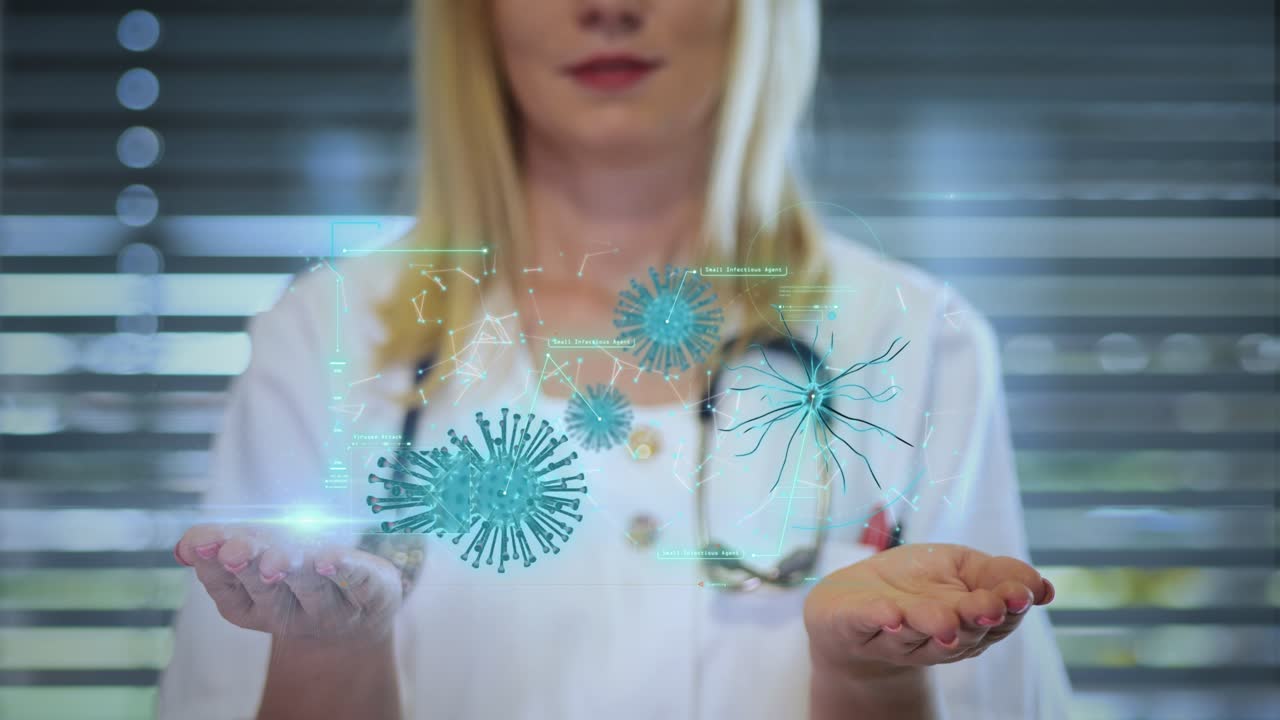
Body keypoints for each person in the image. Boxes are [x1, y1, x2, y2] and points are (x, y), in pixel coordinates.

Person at [157, 1, 1072, 718]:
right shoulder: (326, 336)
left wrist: (871, 678)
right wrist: (330, 648)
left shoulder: (916, 340)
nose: (607, 6)